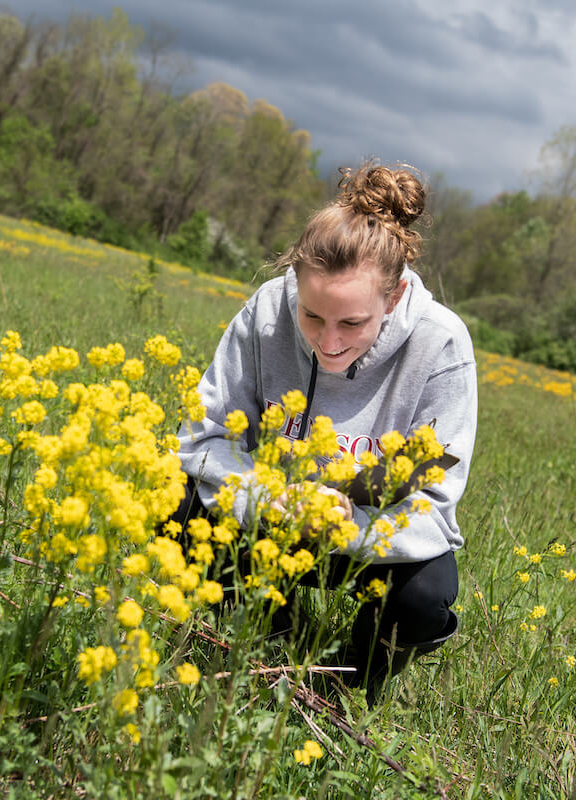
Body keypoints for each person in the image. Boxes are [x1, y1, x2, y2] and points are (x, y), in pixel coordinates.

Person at [173, 163, 477, 704]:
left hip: (366, 539)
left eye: (352, 323)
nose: (327, 343)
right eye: (312, 317)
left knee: (425, 597)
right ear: (294, 281)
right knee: (172, 502)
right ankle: (266, 639)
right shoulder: (267, 309)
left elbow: (433, 498)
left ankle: (345, 687)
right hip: (273, 514)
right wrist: (273, 498)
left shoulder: (442, 344)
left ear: (393, 295)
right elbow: (201, 440)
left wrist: (346, 520)